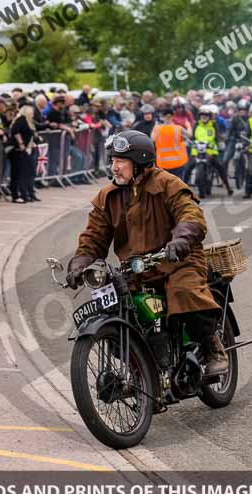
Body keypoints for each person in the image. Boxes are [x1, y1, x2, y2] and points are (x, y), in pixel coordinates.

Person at [65, 130, 228, 377]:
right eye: (112, 161)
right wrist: (80, 263)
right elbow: (93, 237)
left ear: (140, 162)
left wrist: (181, 240)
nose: (114, 167)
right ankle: (141, 367)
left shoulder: (168, 184)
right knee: (117, 309)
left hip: (178, 261)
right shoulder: (107, 197)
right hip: (136, 270)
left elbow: (191, 215)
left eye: (120, 161)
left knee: (185, 292)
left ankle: (212, 347)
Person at [183, 106, 233, 198]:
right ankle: (181, 190)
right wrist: (187, 140)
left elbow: (217, 138)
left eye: (206, 115)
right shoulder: (196, 125)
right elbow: (192, 138)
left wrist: (221, 142)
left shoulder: (214, 125)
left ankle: (228, 187)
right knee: (187, 168)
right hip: (197, 151)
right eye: (202, 115)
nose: (204, 117)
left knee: (220, 167)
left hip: (210, 151)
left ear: (209, 116)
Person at [9, 104, 40, 204]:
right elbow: (15, 131)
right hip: (18, 150)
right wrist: (21, 143)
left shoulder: (29, 121)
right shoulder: (21, 119)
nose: (32, 114)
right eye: (31, 112)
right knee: (18, 173)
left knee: (27, 171)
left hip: (27, 149)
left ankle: (27, 193)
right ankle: (17, 194)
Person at [152, 108, 189, 180]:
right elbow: (189, 136)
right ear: (172, 117)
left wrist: (155, 126)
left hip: (163, 163)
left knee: (165, 186)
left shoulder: (157, 129)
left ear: (162, 117)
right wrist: (189, 126)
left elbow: (152, 139)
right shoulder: (179, 128)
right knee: (178, 185)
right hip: (178, 162)